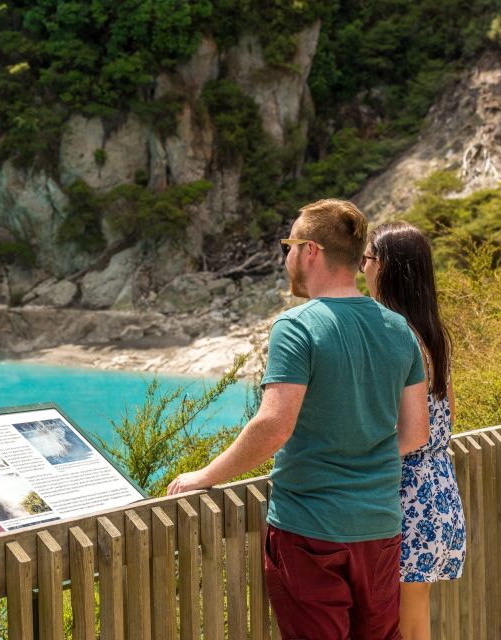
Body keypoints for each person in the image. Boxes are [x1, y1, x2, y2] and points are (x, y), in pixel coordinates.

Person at [167, 198, 429, 640]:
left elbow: (273, 425)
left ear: (310, 251)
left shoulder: (298, 326)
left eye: (288, 244)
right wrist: (362, 453)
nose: (286, 256)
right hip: (380, 528)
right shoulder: (397, 328)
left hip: (311, 530)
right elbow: (416, 432)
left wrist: (204, 476)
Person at [362, 221, 466, 640]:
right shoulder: (430, 333)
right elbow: (449, 416)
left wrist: (359, 455)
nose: (361, 269)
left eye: (367, 259)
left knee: (402, 624)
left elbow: (411, 432)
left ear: (386, 266)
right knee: (415, 618)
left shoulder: (396, 335)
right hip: (438, 487)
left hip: (406, 494)